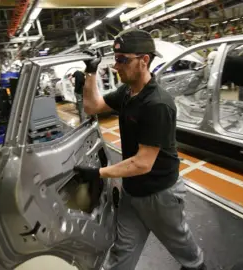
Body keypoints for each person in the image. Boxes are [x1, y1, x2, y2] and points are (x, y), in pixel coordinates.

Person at [74, 28, 206, 270]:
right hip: (132, 191)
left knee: (184, 250)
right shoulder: (127, 92)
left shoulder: (157, 104)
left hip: (160, 194)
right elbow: (93, 107)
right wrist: (90, 73)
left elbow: (143, 163)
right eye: (115, 59)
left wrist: (99, 173)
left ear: (144, 60)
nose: (116, 66)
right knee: (121, 254)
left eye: (122, 59)